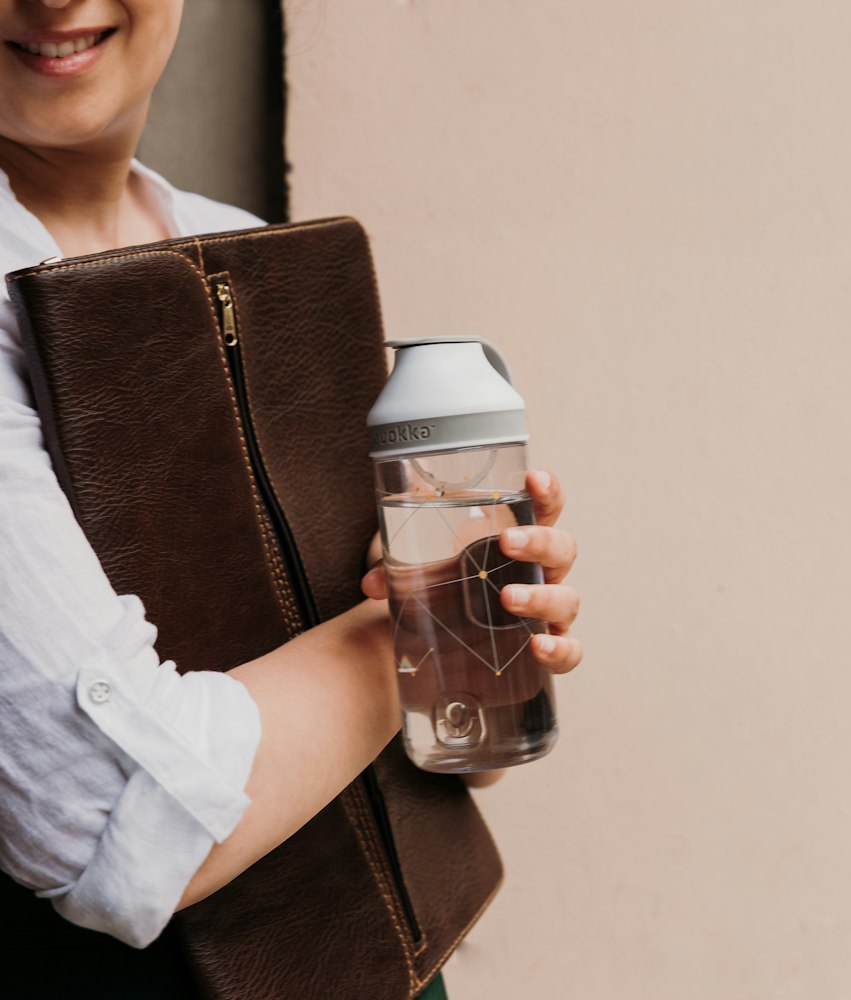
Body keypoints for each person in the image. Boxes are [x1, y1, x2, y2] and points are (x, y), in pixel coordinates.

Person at [0, 0, 582, 996]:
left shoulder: (258, 255)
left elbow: (442, 754)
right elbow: (109, 821)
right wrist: (418, 624)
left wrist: (488, 638)